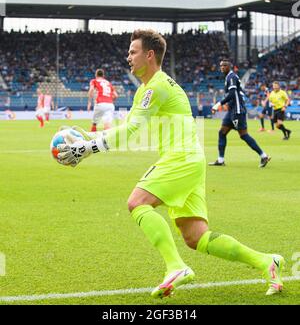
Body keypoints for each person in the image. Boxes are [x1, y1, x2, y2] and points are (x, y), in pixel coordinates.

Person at [56, 30, 285, 299]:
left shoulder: (156, 86)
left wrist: (87, 148)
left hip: (181, 159)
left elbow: (130, 132)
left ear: (149, 55)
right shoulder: (150, 87)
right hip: (190, 160)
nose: (128, 57)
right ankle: (266, 261)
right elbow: (129, 127)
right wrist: (86, 138)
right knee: (196, 236)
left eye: (133, 51)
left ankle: (176, 267)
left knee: (136, 203)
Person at [209, 60, 271, 168]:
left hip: (237, 111)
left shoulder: (231, 77)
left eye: (224, 65)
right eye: (221, 66)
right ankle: (220, 160)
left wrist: (218, 104)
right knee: (222, 132)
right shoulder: (229, 77)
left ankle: (263, 155)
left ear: (229, 67)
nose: (222, 67)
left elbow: (233, 93)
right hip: (232, 111)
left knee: (243, 135)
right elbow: (238, 93)